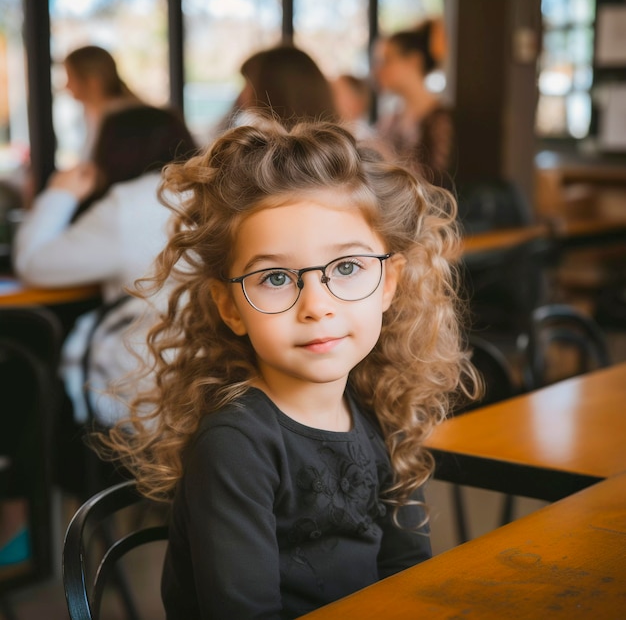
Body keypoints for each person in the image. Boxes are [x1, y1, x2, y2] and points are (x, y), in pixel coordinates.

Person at [102, 117, 479, 618]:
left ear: (389, 282)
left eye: (346, 268)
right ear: (231, 307)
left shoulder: (377, 405)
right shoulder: (235, 445)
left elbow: (409, 572)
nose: (316, 305)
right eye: (276, 277)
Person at [13, 104, 197, 429]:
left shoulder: (129, 205)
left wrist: (60, 194)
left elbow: (32, 264)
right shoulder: (214, 191)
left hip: (147, 389)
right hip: (216, 382)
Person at [374, 19, 455, 189]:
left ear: (413, 61)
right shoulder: (391, 118)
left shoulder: (440, 120)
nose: (379, 70)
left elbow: (438, 181)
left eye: (387, 60)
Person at [216, 43, 338, 133]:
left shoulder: (260, 159)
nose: (241, 95)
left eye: (247, 84)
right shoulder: (340, 153)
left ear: (272, 92)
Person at [63, 45, 141, 160]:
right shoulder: (90, 113)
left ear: (92, 80)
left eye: (70, 77)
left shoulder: (122, 118)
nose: (67, 86)